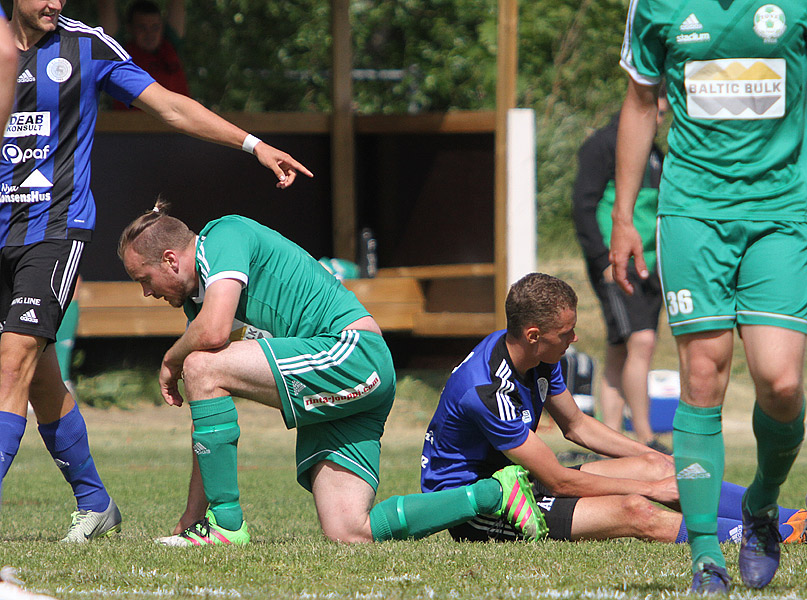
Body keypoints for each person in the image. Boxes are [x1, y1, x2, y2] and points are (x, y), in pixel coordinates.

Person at [0, 0, 312, 543]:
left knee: (14, 358)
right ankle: (95, 503)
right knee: (38, 373)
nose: (56, 2)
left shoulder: (87, 46)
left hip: (54, 228)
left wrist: (253, 144)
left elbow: (169, 106)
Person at [117, 202, 548, 546]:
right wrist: (190, 516)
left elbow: (209, 339)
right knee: (349, 531)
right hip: (344, 380)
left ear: (171, 259)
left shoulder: (222, 236)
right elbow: (206, 416)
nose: (146, 292)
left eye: (145, 278)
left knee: (199, 364)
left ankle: (227, 526)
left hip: (352, 354)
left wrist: (172, 360)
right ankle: (495, 492)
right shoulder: (201, 302)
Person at [613, 1, 807, 592]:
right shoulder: (655, 5)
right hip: (692, 212)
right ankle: (705, 552)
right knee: (703, 376)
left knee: (780, 382)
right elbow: (640, 102)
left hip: (778, 213)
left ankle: (761, 506)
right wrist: (624, 214)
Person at [420, 273, 807, 548]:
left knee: (662, 465)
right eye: (566, 333)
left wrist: (651, 463)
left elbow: (575, 425)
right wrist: (651, 486)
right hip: (481, 506)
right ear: (534, 333)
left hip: (519, 476)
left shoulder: (534, 354)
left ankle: (801, 517)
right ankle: (787, 536)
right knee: (638, 509)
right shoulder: (484, 389)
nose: (574, 341)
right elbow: (557, 478)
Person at [572, 93, 668, 453]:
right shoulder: (602, 145)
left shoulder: (655, 152)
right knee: (641, 342)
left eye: (664, 114)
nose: (659, 120)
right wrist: (603, 261)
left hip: (651, 266)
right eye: (655, 112)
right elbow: (583, 205)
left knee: (619, 348)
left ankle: (608, 439)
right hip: (617, 264)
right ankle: (646, 438)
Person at [98, 0, 191, 105]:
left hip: (175, 119)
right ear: (130, 28)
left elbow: (177, 4)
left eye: (155, 27)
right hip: (129, 120)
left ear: (162, 28)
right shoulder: (120, 54)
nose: (149, 34)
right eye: (142, 27)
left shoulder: (170, 46)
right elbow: (106, 5)